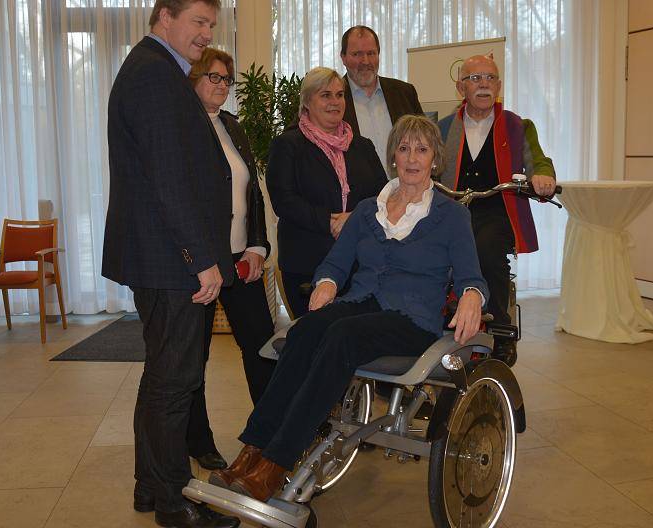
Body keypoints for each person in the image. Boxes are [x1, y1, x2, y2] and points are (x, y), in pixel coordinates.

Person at [208, 115, 489, 502]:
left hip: (413, 319)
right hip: (361, 303)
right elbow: (336, 263)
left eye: (421, 150)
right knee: (304, 330)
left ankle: (276, 462)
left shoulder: (451, 215)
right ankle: (250, 451)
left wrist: (473, 294)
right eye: (404, 148)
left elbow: (472, 275)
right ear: (393, 157)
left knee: (341, 336)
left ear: (434, 160)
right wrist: (326, 283)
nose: (412, 158)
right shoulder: (368, 209)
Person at [102, 1, 239, 526]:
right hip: (169, 259)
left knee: (163, 376)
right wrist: (200, 259)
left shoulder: (156, 69)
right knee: (175, 381)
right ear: (165, 17)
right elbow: (168, 179)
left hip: (161, 255)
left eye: (211, 25)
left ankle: (149, 486)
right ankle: (172, 500)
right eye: (199, 23)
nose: (206, 35)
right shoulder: (156, 75)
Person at [185, 47, 276, 472]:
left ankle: (272, 432)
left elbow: (252, 194)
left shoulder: (232, 126)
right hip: (201, 263)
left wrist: (258, 246)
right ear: (192, 77)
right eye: (212, 77)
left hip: (243, 260)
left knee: (261, 345)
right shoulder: (182, 127)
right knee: (195, 355)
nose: (220, 85)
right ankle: (198, 440)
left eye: (226, 79)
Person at [437, 54, 557, 367]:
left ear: (499, 85)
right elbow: (428, 165)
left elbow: (539, 161)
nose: (484, 84)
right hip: (453, 209)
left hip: (497, 208)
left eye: (490, 78)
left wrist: (543, 176)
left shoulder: (518, 126)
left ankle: (502, 329)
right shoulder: (444, 127)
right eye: (475, 78)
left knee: (487, 250)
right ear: (460, 86)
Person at [266, 66, 387, 318]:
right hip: (307, 262)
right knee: (314, 341)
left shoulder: (362, 146)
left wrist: (353, 218)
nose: (335, 102)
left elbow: (383, 196)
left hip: (360, 262)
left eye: (339, 95)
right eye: (325, 95)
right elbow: (284, 200)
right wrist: (329, 221)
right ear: (307, 101)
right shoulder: (287, 145)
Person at [340, 25, 424, 167]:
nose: (365, 61)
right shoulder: (332, 99)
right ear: (343, 58)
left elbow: (426, 142)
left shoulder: (404, 92)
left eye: (371, 53)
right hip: (356, 188)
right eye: (357, 54)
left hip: (405, 186)